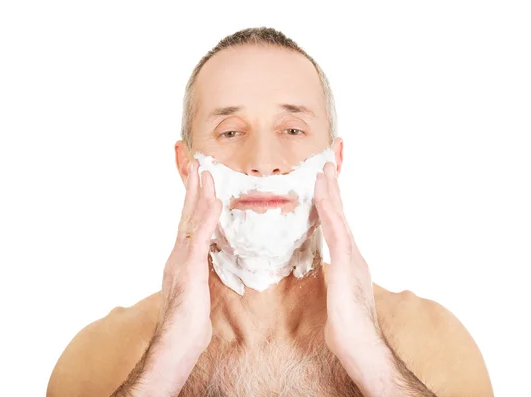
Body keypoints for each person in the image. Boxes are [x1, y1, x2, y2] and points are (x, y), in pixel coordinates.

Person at [47, 27, 493, 397]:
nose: (262, 159)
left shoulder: (430, 342)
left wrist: (373, 360)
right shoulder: (101, 355)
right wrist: (166, 362)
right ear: (187, 166)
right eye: (230, 131)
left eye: (293, 128)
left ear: (333, 162)